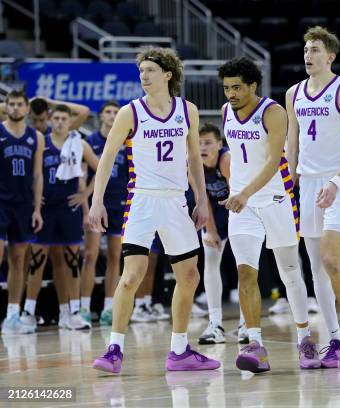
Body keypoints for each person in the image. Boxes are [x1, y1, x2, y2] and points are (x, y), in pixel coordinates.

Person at [90, 47, 220, 374]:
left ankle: (179, 351)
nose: (143, 76)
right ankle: (114, 349)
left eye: (150, 70)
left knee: (189, 276)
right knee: (132, 274)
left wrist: (201, 198)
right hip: (142, 200)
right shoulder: (130, 112)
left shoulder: (186, 110)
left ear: (168, 75)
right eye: (141, 71)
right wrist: (97, 200)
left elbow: (193, 157)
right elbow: (106, 158)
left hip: (177, 199)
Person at [218, 57, 319, 372]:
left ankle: (305, 338)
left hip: (275, 199)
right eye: (226, 88)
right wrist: (238, 192)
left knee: (290, 273)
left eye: (237, 87)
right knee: (246, 273)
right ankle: (255, 344)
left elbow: (275, 160)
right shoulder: (225, 113)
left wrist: (246, 192)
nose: (231, 94)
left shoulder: (273, 113)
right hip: (243, 206)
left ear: (252, 85)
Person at [286, 26, 340, 368]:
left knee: (332, 260)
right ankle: (333, 339)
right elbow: (293, 140)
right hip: (306, 183)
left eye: (315, 50)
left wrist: (335, 181)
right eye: (306, 50)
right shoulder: (293, 93)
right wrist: (288, 180)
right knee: (316, 268)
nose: (308, 55)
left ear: (330, 56)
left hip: (339, 181)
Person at [22, 104, 98, 331]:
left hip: (69, 209)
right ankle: (28, 312)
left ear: (70, 121)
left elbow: (102, 165)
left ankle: (73, 312)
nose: (60, 122)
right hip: (45, 210)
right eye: (56, 118)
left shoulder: (79, 143)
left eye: (64, 118)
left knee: (73, 262)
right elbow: (29, 173)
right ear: (49, 119)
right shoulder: (41, 143)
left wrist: (86, 194)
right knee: (37, 262)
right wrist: (33, 199)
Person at [0, 89, 44, 334]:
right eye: (11, 104)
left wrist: (37, 208)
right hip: (1, 203)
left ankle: (12, 315)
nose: (15, 108)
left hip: (24, 205)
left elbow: (38, 175)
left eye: (20, 104)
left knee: (18, 260)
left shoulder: (36, 137)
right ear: (5, 107)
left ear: (27, 108)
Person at [80, 101, 125, 326]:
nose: (112, 115)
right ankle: (84, 307)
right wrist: (86, 205)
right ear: (100, 116)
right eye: (108, 112)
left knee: (116, 257)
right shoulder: (91, 141)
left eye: (116, 112)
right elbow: (84, 175)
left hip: (119, 203)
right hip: (98, 203)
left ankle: (109, 307)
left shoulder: (126, 141)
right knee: (90, 255)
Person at [196, 122, 237, 344]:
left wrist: (235, 229)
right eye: (199, 142)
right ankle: (215, 324)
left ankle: (246, 325)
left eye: (208, 143)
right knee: (210, 260)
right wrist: (211, 231)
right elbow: (203, 201)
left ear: (219, 144)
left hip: (238, 210)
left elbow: (237, 195)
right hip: (213, 212)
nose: (203, 147)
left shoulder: (227, 160)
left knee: (244, 264)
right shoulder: (193, 163)